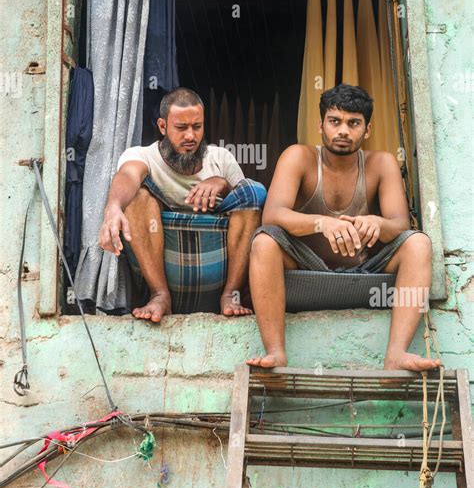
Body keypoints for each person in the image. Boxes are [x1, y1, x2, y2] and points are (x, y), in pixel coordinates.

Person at [246, 83, 441, 373]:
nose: (343, 131)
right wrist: (321, 222)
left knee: (418, 243)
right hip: (306, 267)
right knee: (264, 241)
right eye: (334, 121)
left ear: (368, 129)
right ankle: (275, 352)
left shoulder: (382, 163)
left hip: (365, 268)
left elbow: (400, 224)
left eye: (354, 123)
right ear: (320, 125)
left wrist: (377, 223)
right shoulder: (298, 157)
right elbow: (271, 216)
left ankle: (397, 355)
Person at [99, 87, 265, 321]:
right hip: (162, 272)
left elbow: (249, 204)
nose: (190, 136)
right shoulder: (142, 155)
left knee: (255, 190)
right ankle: (159, 296)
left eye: (197, 127)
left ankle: (231, 294)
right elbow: (128, 176)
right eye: (181, 128)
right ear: (162, 126)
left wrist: (221, 183)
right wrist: (113, 207)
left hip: (218, 276)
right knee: (137, 195)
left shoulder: (220, 158)